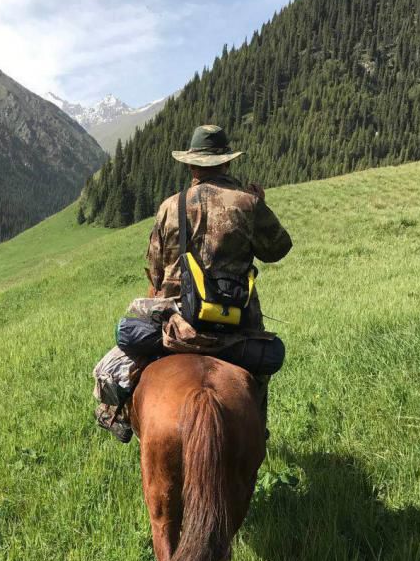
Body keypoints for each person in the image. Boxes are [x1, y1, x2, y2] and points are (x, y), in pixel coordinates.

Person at [96, 123, 292, 441]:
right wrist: (260, 204)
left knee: (128, 350)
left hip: (180, 320)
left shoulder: (169, 207)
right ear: (226, 162)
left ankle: (115, 412)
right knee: (262, 368)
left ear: (191, 165)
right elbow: (278, 249)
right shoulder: (248, 204)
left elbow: (155, 273)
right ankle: (257, 424)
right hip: (235, 323)